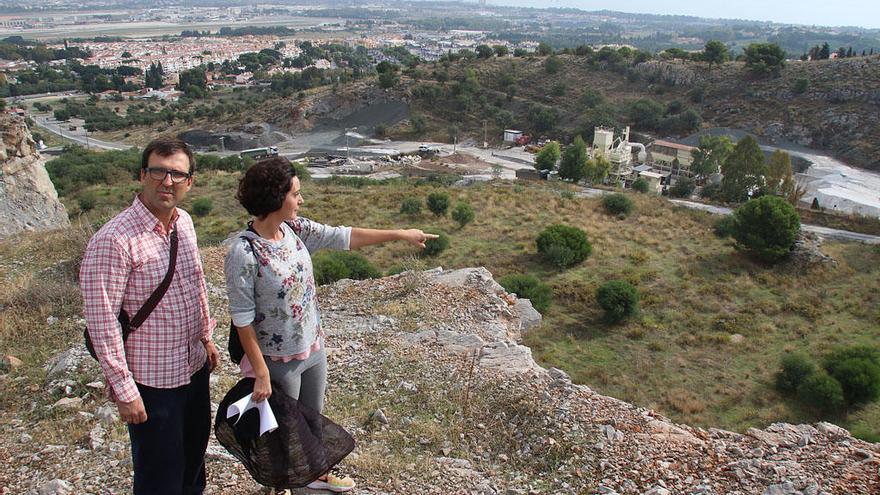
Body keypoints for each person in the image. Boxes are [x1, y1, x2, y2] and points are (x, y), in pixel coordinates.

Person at [224, 157, 436, 493]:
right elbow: (242, 319)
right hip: (279, 364)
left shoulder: (294, 230)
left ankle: (315, 479)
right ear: (276, 197)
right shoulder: (244, 252)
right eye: (296, 194)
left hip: (312, 349)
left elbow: (344, 237)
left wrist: (400, 234)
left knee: (312, 424)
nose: (301, 200)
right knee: (285, 436)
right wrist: (261, 372)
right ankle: (287, 486)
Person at [80, 136, 218, 495]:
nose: (166, 182)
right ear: (142, 175)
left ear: (190, 182)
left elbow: (195, 281)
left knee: (192, 464)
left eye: (176, 174)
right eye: (158, 171)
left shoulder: (184, 223)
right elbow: (102, 321)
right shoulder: (113, 240)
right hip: (153, 380)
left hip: (192, 366)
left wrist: (206, 336)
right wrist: (124, 389)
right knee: (159, 476)